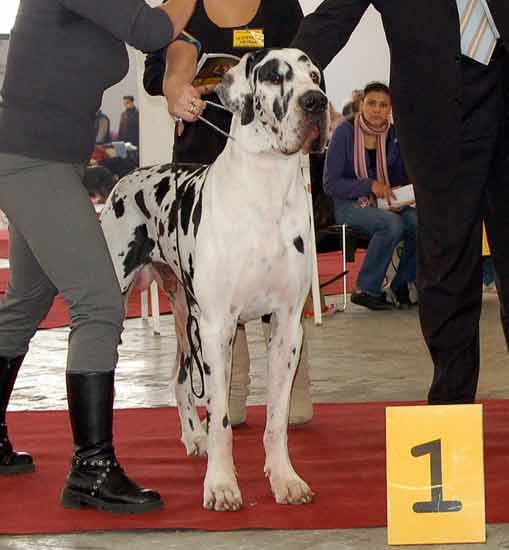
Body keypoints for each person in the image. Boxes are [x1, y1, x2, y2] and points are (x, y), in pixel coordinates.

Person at [0, 0, 198, 514]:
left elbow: (166, 35)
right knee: (100, 303)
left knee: (27, 301)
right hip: (33, 162)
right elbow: (154, 29)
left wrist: (179, 62)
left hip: (48, 161)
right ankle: (93, 469)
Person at [292, 1, 509, 405]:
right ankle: (451, 404)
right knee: (446, 258)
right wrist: (281, 74)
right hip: (435, 115)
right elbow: (333, 17)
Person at [143, 0, 313, 426]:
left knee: (283, 278)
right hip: (202, 161)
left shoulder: (280, 6)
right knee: (216, 296)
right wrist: (176, 83)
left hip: (271, 169)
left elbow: (303, 61)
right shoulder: (183, 5)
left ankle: (292, 385)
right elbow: (152, 74)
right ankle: (229, 388)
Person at [324, 81, 416, 310]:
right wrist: (369, 185)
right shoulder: (344, 132)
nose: (377, 109)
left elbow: (401, 177)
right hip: (349, 204)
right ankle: (366, 289)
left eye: (383, 105)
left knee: (419, 223)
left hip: (386, 203)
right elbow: (330, 184)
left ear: (390, 109)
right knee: (392, 224)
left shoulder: (395, 135)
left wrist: (400, 197)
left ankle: (401, 285)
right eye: (372, 103)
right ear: (361, 104)